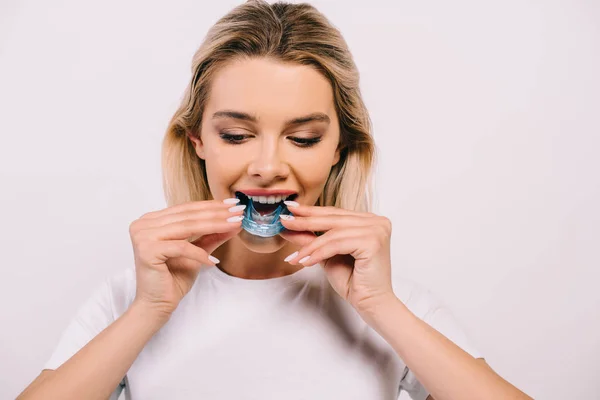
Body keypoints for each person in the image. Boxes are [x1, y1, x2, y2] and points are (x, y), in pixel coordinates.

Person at [18, 1, 532, 399]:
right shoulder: (126, 300)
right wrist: (150, 310)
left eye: (303, 138)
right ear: (198, 141)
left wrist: (380, 307)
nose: (267, 166)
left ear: (339, 149)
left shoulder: (397, 305)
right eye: (237, 135)